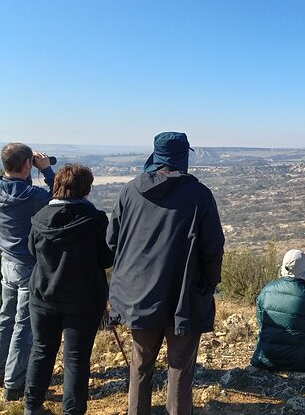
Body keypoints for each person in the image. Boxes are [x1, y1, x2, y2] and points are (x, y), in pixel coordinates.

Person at [107, 131, 225, 415]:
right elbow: (213, 248)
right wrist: (206, 286)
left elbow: (112, 242)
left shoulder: (130, 191)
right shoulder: (199, 195)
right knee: (180, 371)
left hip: (138, 296)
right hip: (182, 298)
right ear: (183, 157)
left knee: (140, 366)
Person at [24, 163, 113, 415]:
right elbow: (107, 259)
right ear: (86, 189)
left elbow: (33, 252)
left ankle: (32, 407)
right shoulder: (95, 220)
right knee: (75, 359)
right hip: (83, 301)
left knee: (41, 351)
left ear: (57, 187)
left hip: (43, 296)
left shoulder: (40, 217)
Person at [0, 143, 55, 401]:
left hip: (7, 261)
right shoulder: (32, 196)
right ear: (27, 164)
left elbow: (13, 178)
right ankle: (14, 383)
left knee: (6, 315)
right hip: (27, 264)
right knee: (23, 324)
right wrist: (47, 171)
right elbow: (61, 197)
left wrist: (26, 166)